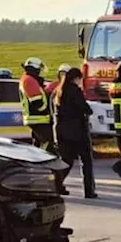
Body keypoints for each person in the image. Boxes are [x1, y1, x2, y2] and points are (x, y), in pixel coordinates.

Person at [54, 68, 97, 199]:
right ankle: (89, 191)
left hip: (61, 131)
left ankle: (55, 184)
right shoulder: (74, 91)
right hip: (77, 131)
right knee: (86, 161)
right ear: (76, 78)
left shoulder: (59, 92)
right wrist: (88, 110)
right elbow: (85, 108)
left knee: (66, 161)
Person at [20, 57, 56, 152]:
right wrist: (48, 109)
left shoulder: (29, 79)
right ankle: (40, 162)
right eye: (39, 69)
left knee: (38, 143)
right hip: (38, 119)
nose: (40, 72)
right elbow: (38, 103)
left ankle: (33, 162)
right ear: (35, 69)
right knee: (48, 141)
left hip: (36, 119)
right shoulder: (29, 81)